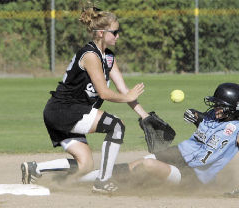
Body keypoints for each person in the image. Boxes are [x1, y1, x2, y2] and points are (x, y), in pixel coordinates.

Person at [20, 3, 149, 194]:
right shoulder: (90, 55)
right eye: (114, 32)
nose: (118, 35)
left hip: (73, 111)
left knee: (85, 165)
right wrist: (127, 96)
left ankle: (35, 169)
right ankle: (103, 182)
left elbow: (123, 89)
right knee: (116, 126)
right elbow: (105, 93)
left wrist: (144, 116)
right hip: (63, 110)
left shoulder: (109, 57)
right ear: (100, 33)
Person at [87, 83, 239, 197]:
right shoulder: (213, 116)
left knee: (148, 166)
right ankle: (92, 178)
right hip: (179, 153)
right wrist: (196, 116)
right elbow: (206, 120)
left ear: (234, 109)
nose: (215, 108)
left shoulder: (238, 131)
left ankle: (125, 188)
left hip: (194, 176)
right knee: (137, 163)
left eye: (220, 106)